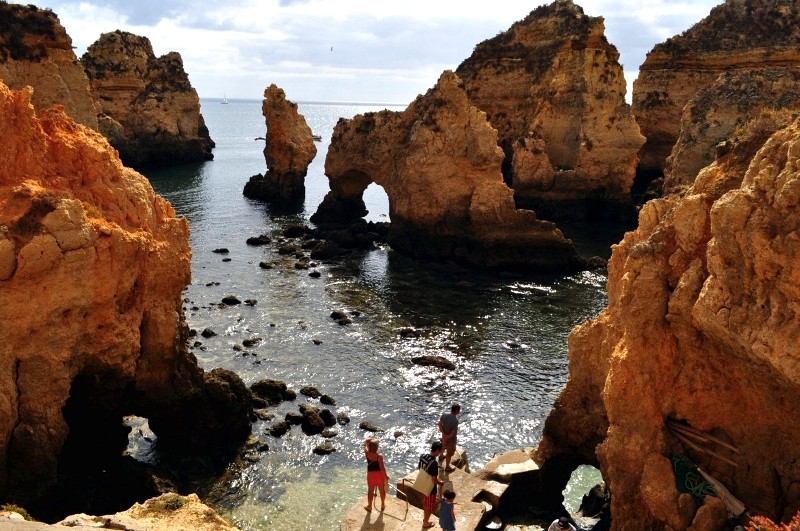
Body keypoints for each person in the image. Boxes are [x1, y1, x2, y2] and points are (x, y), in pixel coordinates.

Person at [419, 440, 444, 529]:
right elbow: (434, 480)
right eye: (440, 451)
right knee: (430, 505)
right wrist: (440, 483)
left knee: (425, 501)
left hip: (422, 484)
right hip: (429, 488)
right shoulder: (434, 463)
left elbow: (420, 469)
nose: (440, 453)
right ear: (437, 450)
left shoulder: (423, 456)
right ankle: (425, 522)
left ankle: (425, 518)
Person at [363, 438, 389, 512]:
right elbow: (382, 468)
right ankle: (383, 504)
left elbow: (365, 443)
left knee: (370, 491)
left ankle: (369, 506)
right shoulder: (379, 457)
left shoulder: (367, 453)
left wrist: (367, 442)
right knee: (382, 490)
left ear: (369, 447)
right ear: (377, 447)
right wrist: (386, 476)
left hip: (371, 475)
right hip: (379, 475)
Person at [438, 403, 461, 472]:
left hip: (444, 435)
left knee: (443, 446)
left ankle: (441, 455)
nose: (459, 411)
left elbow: (439, 424)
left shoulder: (444, 414)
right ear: (457, 411)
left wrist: (443, 434)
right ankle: (447, 467)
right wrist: (447, 437)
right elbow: (453, 433)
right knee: (449, 453)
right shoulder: (455, 421)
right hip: (451, 440)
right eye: (459, 410)